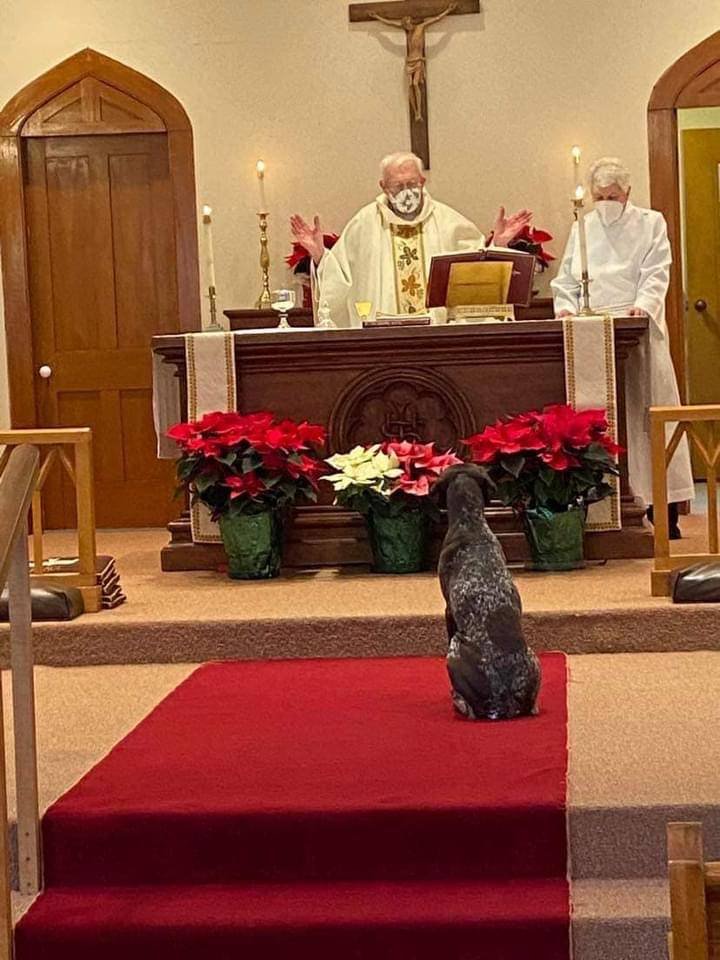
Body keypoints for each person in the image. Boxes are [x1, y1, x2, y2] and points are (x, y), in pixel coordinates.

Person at [551, 156, 694, 537]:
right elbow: (567, 277)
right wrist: (565, 306)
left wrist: (642, 307)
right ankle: (608, 505)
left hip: (637, 329)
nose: (606, 203)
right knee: (608, 420)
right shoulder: (583, 226)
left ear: (627, 193)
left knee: (649, 418)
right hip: (592, 331)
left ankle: (665, 508)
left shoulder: (650, 223)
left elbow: (656, 270)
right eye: (600, 197)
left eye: (613, 196)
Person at [290, 151, 532, 327]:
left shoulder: (449, 222)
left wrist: (498, 246)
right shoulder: (364, 224)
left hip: (437, 338)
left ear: (423, 182)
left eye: (412, 184)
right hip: (381, 341)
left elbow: (475, 273)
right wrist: (320, 256)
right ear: (383, 187)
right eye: (398, 186)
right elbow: (340, 277)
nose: (407, 191)